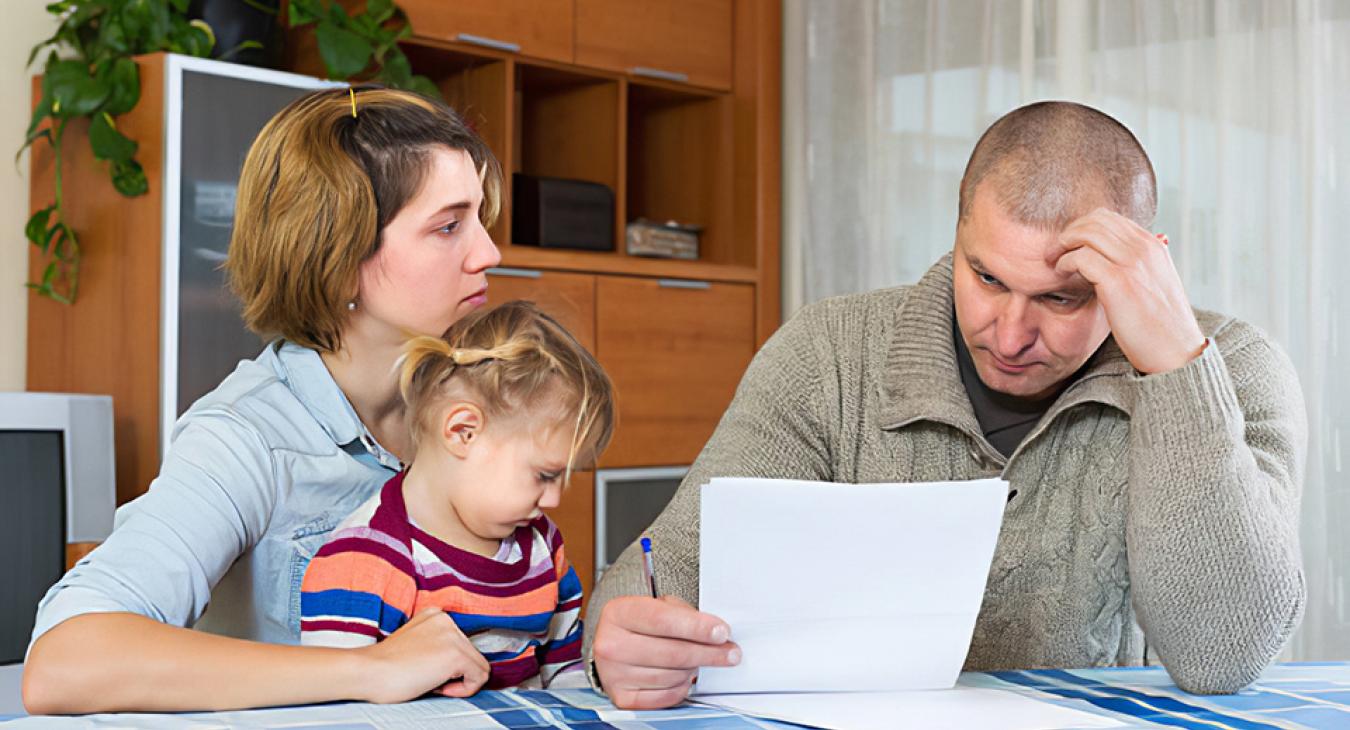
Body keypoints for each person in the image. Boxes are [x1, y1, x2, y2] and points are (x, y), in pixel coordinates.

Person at [583, 101, 1307, 709]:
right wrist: (623, 641)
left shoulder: (1235, 370)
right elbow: (656, 574)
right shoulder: (828, 353)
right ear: (958, 233)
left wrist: (1179, 368)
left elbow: (1223, 655)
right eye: (987, 278)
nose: (1013, 334)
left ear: (1143, 264)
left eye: (1062, 297)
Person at [22, 87, 515, 713]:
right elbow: (65, 662)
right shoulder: (246, 437)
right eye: (448, 226)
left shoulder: (482, 403)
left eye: (479, 219)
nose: (488, 253)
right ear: (338, 259)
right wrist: (363, 670)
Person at [298, 300, 614, 692]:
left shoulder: (543, 547)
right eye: (544, 475)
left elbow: (565, 672)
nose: (552, 499)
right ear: (463, 431)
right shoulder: (364, 562)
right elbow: (336, 699)